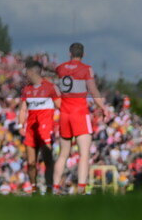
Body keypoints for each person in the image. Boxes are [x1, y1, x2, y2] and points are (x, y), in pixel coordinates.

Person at [52, 43, 111, 194]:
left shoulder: (60, 68)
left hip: (64, 113)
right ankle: (81, 189)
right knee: (84, 154)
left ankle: (56, 187)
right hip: (79, 113)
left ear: (69, 53)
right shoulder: (86, 69)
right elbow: (93, 91)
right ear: (83, 54)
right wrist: (103, 108)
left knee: (63, 154)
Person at [17, 60, 59, 194]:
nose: (25, 75)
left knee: (47, 159)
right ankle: (34, 188)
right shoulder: (26, 90)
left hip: (46, 129)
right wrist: (20, 124)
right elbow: (23, 109)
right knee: (30, 163)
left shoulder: (50, 87)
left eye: (27, 72)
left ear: (33, 72)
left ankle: (49, 187)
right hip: (31, 130)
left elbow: (61, 106)